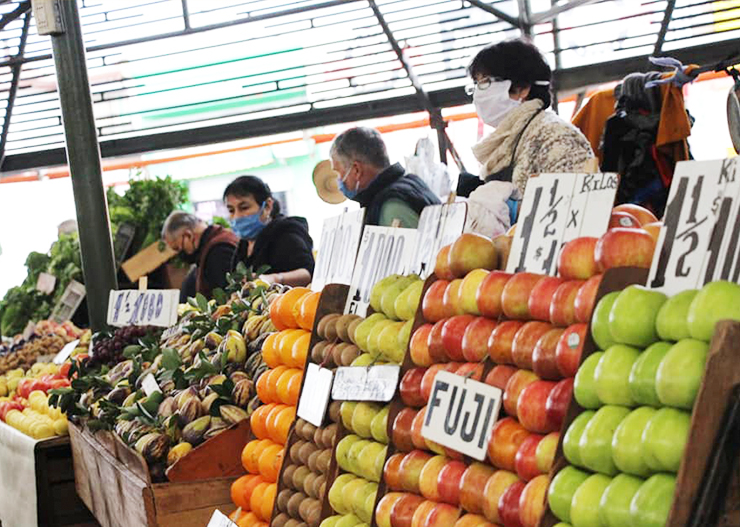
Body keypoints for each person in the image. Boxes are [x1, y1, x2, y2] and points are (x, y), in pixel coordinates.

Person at [458, 38, 595, 237]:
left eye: (486, 82)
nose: (478, 94)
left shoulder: (556, 136)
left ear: (523, 88)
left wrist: (516, 210)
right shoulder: (507, 143)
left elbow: (575, 213)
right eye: (476, 84)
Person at [329, 127, 441, 227]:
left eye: (339, 173)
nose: (339, 182)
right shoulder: (412, 183)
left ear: (356, 170)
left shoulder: (391, 207)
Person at [224, 175, 314, 287]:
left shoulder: (286, 233)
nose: (237, 216)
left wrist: (274, 279)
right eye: (231, 210)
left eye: (244, 208)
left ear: (267, 206)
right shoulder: (243, 245)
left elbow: (308, 273)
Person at [162, 211, 237, 301]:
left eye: (178, 248)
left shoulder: (218, 251)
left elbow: (229, 297)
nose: (179, 254)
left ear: (188, 235)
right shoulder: (212, 245)